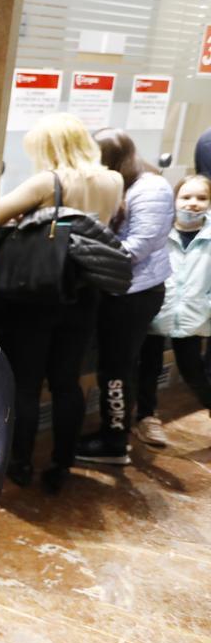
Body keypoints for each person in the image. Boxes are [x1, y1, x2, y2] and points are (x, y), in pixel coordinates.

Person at [0, 113, 124, 492]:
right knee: (67, 382)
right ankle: (62, 463)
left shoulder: (48, 181)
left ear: (49, 148)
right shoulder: (112, 180)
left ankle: (20, 463)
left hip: (40, 291)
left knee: (27, 383)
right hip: (84, 291)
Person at [76, 128, 174, 466]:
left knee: (116, 368)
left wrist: (81, 252)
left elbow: (136, 247)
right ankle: (114, 432)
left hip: (135, 292)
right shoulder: (124, 183)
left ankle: (114, 441)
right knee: (114, 365)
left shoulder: (151, 188)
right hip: (121, 288)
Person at [135, 174, 211, 445]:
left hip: (192, 316)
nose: (193, 204)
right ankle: (146, 418)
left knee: (193, 369)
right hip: (155, 312)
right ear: (174, 200)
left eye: (201, 198)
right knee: (149, 368)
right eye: (186, 197)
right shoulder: (160, 232)